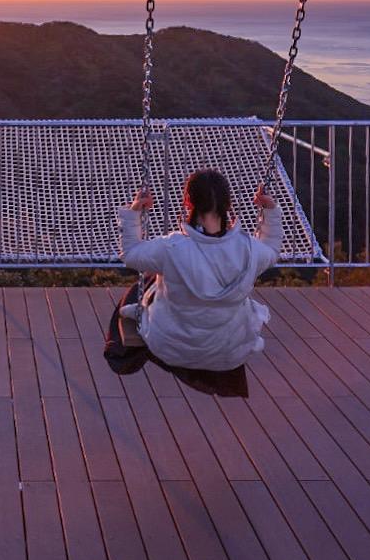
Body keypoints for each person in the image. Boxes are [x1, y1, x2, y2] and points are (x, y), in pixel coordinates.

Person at [104, 167, 282, 398]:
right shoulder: (250, 250)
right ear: (228, 205)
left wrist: (135, 211)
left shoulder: (172, 248)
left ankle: (123, 347)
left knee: (146, 281)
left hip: (169, 345)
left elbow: (131, 254)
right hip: (230, 350)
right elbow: (271, 249)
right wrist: (271, 212)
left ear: (188, 202)